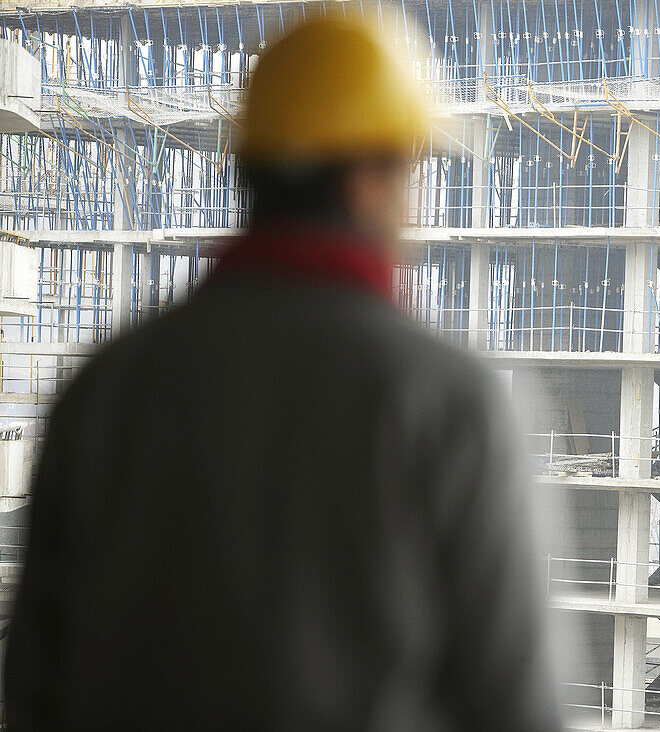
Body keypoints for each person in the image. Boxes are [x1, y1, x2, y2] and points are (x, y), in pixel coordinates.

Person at [4, 15, 561, 730]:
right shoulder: (448, 401)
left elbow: (33, 687)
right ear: (367, 183)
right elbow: (513, 707)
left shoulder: (106, 387)